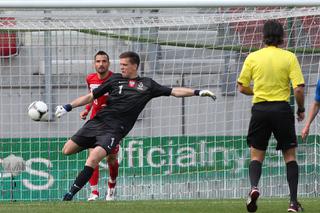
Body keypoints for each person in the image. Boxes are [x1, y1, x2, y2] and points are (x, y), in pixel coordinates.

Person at [55, 51, 216, 201]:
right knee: (67, 150)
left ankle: (70, 195)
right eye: (121, 64)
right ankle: (94, 154)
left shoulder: (147, 85)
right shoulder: (114, 79)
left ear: (134, 66)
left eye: (125, 65)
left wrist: (198, 92)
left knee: (93, 158)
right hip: (97, 122)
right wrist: (68, 106)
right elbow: (90, 96)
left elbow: (174, 91)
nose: (121, 67)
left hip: (114, 130)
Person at [237, 20, 305, 212]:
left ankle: (254, 187)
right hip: (282, 110)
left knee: (256, 155)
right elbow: (298, 89)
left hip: (260, 110)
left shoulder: (253, 57)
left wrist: (257, 91)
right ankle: (293, 202)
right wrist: (301, 109)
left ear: (263, 36)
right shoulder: (289, 57)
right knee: (290, 157)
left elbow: (241, 87)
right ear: (282, 36)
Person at [79, 50, 119, 201]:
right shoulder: (90, 78)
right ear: (94, 63)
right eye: (98, 61)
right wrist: (86, 109)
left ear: (108, 63)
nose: (101, 64)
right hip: (95, 123)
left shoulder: (116, 79)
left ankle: (112, 187)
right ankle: (94, 192)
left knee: (112, 159)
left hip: (112, 125)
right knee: (92, 157)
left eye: (104, 61)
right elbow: (92, 96)